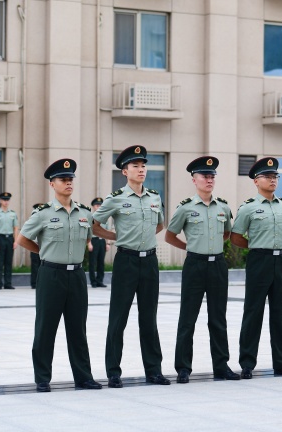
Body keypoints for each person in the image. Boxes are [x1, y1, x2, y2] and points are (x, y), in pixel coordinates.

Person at [16, 158, 102, 392]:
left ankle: (83, 377)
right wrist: (43, 252)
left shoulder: (84, 212)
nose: (68, 183)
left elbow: (87, 238)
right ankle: (42, 378)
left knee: (78, 328)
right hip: (51, 274)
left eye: (70, 179)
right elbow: (22, 239)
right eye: (63, 179)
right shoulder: (42, 213)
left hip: (76, 276)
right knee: (46, 327)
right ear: (52, 184)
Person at [93, 145, 170, 389]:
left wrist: (143, 236)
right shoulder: (116, 199)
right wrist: (118, 237)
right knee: (118, 318)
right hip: (126, 261)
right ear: (124, 171)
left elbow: (159, 225)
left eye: (143, 165)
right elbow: (95, 225)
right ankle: (114, 372)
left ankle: (154, 370)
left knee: (149, 318)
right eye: (135, 166)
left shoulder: (154, 197)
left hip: (149, 261)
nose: (141, 169)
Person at [166, 156, 240, 383]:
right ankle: (183, 368)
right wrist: (189, 247)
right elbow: (170, 235)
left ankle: (221, 366)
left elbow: (227, 233)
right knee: (188, 318)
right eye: (204, 176)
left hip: (217, 265)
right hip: (195, 265)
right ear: (194, 179)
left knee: (218, 318)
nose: (209, 180)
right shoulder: (186, 208)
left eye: (212, 176)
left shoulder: (223, 207)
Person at [231, 157, 282, 379]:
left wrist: (276, 246)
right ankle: (247, 363)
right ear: (256, 181)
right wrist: (257, 246)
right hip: (258, 260)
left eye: (275, 177)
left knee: (280, 314)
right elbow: (235, 236)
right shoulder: (248, 208)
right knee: (253, 312)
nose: (272, 180)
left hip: (280, 260)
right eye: (267, 177)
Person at [0, 192, 19, 290]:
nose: (6, 202)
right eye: (4, 200)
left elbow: (15, 228)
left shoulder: (13, 213)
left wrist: (15, 241)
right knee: (0, 262)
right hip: (0, 237)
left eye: (7, 200)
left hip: (10, 238)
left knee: (8, 262)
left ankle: (8, 283)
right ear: (0, 201)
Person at [88, 197, 109, 288]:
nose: (99, 207)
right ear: (93, 207)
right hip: (94, 241)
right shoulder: (90, 217)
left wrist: (107, 243)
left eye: (100, 205)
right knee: (93, 262)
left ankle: (100, 280)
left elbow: (106, 231)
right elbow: (87, 231)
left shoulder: (104, 217)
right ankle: (93, 282)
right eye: (97, 205)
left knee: (101, 262)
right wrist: (89, 243)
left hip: (102, 241)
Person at [29, 204, 45, 289]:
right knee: (35, 266)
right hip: (35, 245)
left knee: (43, 266)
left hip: (44, 247)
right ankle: (34, 283)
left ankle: (41, 282)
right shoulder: (33, 220)